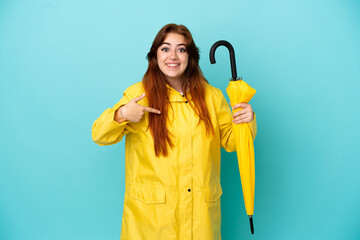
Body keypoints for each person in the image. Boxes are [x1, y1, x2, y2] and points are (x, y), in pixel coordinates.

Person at [92, 23, 256, 240]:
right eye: (165, 48)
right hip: (150, 221)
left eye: (181, 49)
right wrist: (122, 114)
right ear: (155, 55)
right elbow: (99, 134)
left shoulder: (212, 97)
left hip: (200, 219)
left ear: (190, 56)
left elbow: (232, 142)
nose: (173, 56)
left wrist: (246, 121)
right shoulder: (138, 94)